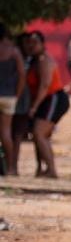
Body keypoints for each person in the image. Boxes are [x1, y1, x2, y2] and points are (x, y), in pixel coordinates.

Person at [21, 31, 68, 179]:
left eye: (35, 43)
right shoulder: (33, 61)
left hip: (52, 98)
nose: (31, 46)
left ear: (42, 44)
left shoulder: (44, 60)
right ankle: (41, 168)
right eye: (29, 43)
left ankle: (52, 170)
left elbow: (45, 86)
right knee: (39, 135)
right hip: (45, 100)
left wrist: (34, 107)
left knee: (39, 133)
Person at [0, 26, 23, 176]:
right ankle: (11, 168)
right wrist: (17, 94)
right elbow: (22, 75)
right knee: (6, 133)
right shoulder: (14, 51)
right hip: (9, 97)